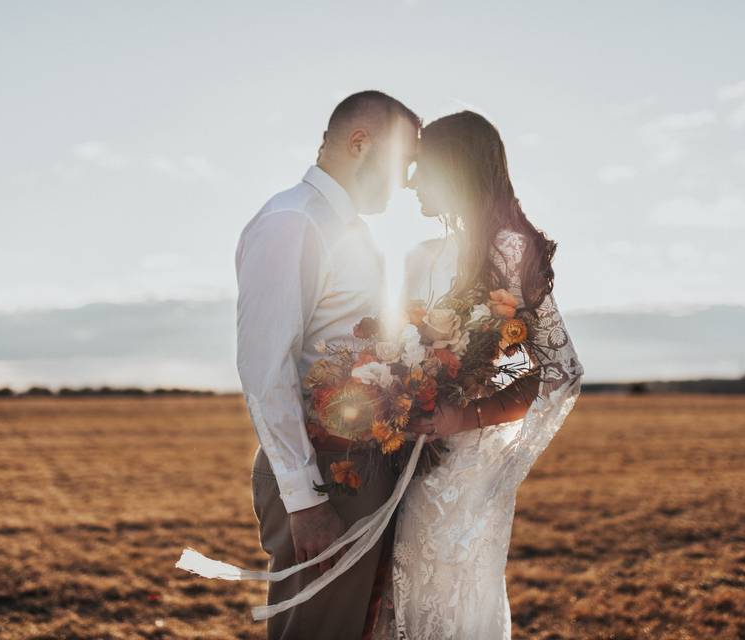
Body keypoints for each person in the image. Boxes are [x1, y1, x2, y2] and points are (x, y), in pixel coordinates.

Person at [378, 111, 585, 639]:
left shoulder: (508, 249)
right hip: (410, 455)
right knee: (401, 601)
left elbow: (552, 372)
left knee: (449, 601)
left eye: (421, 167)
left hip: (464, 470)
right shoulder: (424, 256)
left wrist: (460, 418)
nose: (410, 181)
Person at [234, 90, 420, 639]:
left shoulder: (346, 228)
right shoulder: (293, 222)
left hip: (356, 470)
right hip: (324, 476)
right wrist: (306, 500)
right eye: (403, 160)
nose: (407, 179)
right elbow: (265, 368)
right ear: (360, 145)